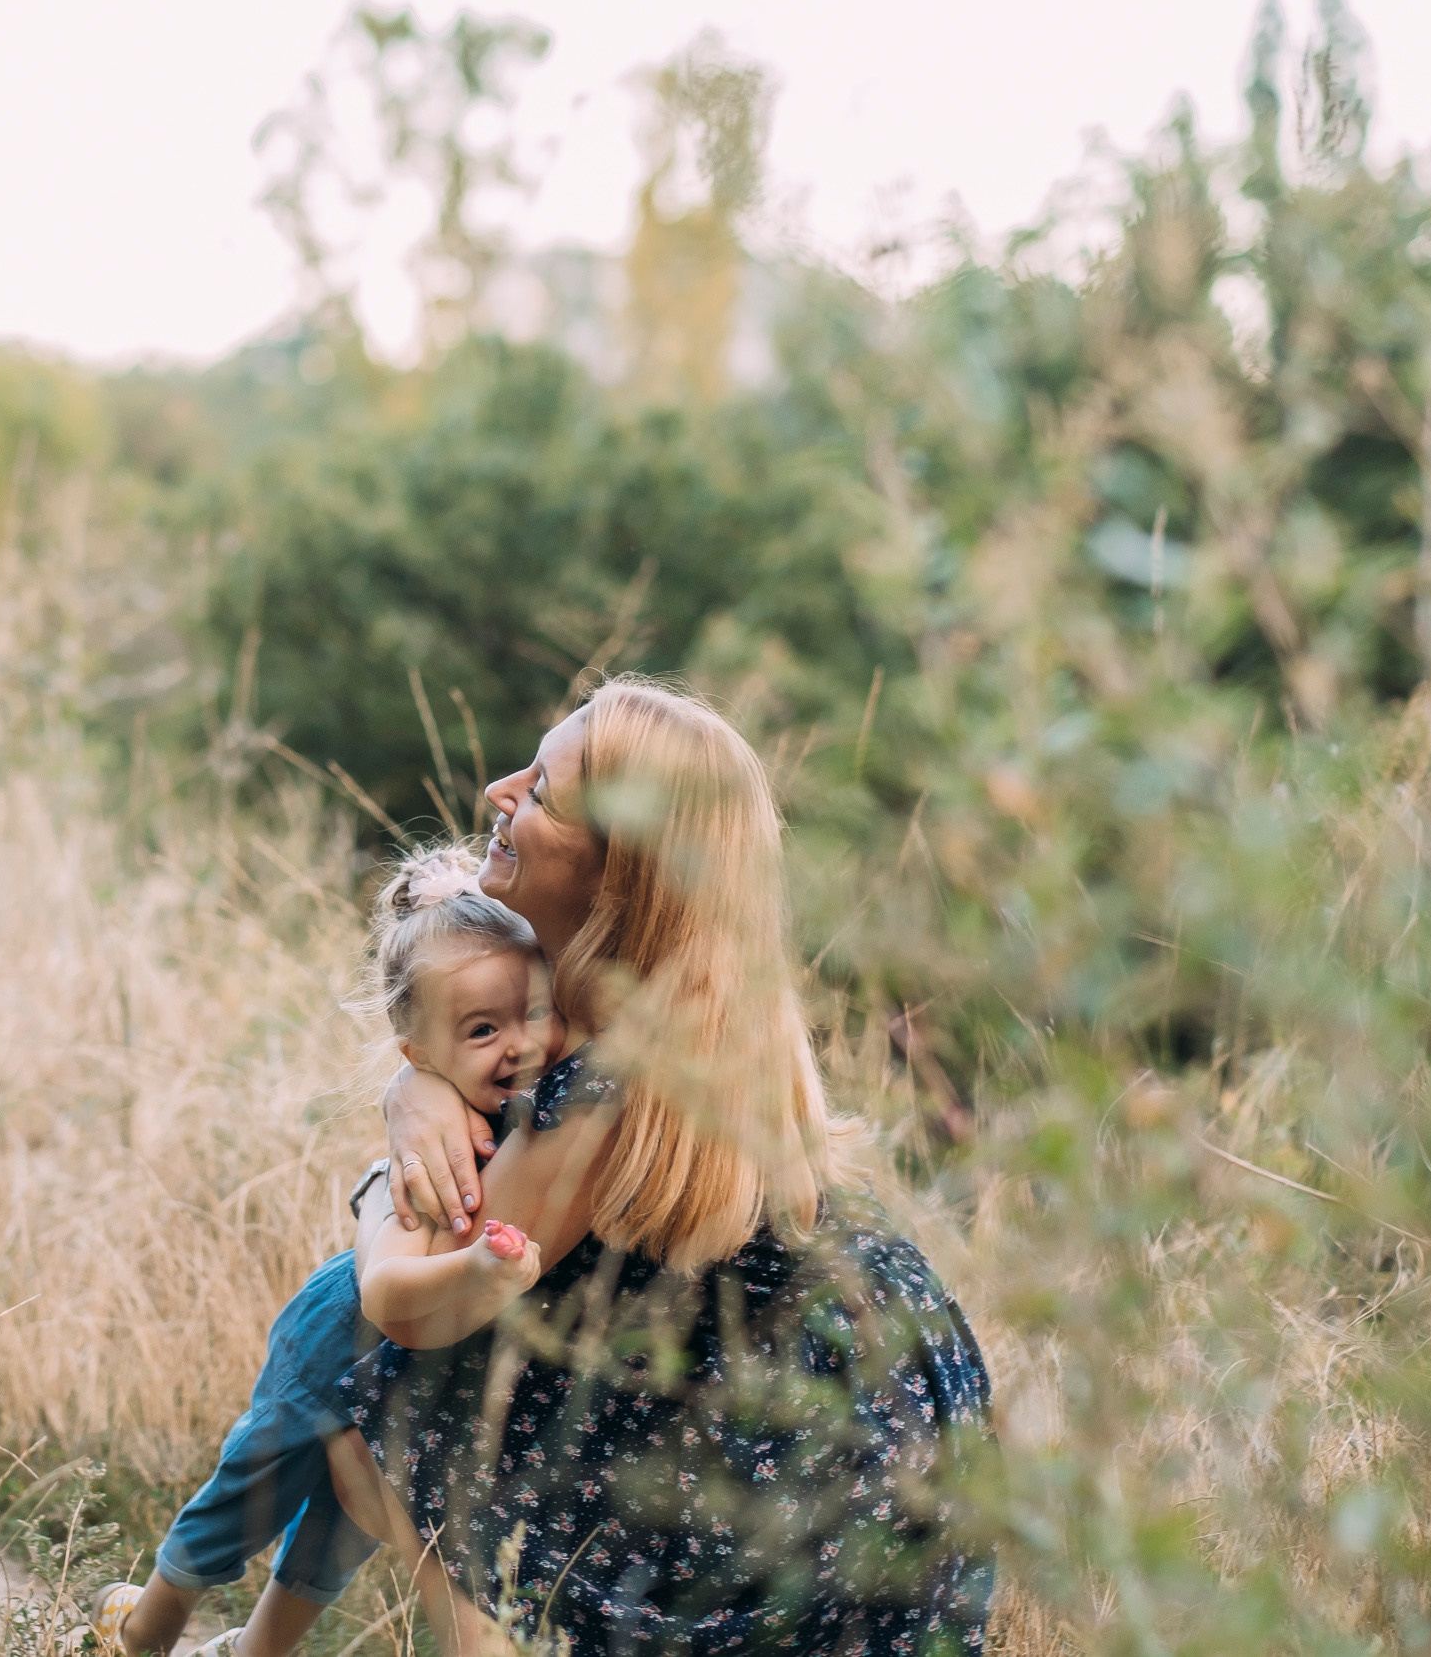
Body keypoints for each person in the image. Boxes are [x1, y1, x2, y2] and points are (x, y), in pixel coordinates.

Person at [326, 679, 996, 1657]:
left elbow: (418, 1296)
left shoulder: (612, 1089)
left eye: (543, 794)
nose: (499, 795)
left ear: (618, 877)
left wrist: (383, 1177)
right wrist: (411, 1089)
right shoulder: (676, 1009)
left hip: (841, 1476)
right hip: (882, 1394)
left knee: (386, 1393)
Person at [92, 845, 562, 1657]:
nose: (517, 1046)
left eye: (533, 1015)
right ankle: (144, 1627)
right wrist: (483, 1267)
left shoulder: (539, 1108)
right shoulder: (438, 1141)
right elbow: (401, 1273)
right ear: (419, 1053)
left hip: (423, 1365)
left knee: (344, 1530)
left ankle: (253, 1650)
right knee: (256, 1482)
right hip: (341, 1330)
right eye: (483, 1029)